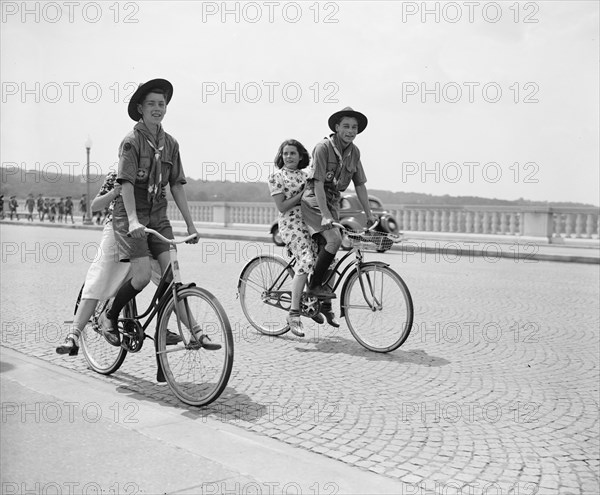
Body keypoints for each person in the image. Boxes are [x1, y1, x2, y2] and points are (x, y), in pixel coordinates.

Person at [98, 78, 220, 351]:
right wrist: (131, 220)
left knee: (170, 276)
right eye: (151, 104)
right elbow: (126, 184)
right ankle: (109, 314)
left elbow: (176, 184)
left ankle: (194, 331)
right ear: (140, 108)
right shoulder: (131, 142)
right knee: (141, 276)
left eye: (161, 104)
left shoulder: (171, 144)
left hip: (158, 215)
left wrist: (190, 224)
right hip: (131, 214)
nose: (157, 108)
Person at [56, 171, 181, 356]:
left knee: (167, 281)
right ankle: (73, 334)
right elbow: (95, 205)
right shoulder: (116, 175)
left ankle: (170, 329)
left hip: (144, 231)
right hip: (116, 229)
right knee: (99, 278)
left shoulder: (155, 174)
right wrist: (114, 193)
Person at [301, 107, 377, 326]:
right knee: (334, 239)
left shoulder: (354, 152)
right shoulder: (323, 147)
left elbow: (360, 184)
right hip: (314, 200)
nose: (350, 131)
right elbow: (317, 184)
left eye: (354, 127)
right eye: (346, 126)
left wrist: (369, 214)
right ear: (336, 127)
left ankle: (324, 304)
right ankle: (314, 286)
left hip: (332, 202)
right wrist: (325, 215)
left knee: (333, 254)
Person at [268, 139, 323, 337]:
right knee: (307, 260)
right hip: (291, 225)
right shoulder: (277, 177)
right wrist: (301, 196)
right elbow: (282, 206)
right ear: (281, 156)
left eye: (293, 153)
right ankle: (294, 313)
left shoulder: (307, 176)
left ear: (301, 156)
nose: (289, 157)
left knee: (327, 259)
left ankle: (312, 300)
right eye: (285, 153)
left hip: (310, 223)